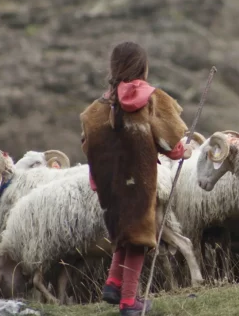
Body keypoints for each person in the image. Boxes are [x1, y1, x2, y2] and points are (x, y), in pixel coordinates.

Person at [80, 41, 191, 316]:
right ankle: (129, 302)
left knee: (123, 232)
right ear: (142, 66)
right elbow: (170, 143)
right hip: (139, 181)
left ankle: (113, 283)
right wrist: (183, 150)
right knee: (139, 237)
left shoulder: (99, 107)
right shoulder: (151, 98)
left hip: (109, 183)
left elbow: (88, 143)